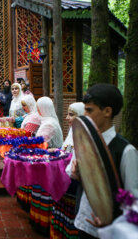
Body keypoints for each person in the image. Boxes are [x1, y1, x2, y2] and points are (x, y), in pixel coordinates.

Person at [66, 83, 138, 239]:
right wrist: (75, 173)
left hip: (111, 231)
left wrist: (113, 221)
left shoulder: (126, 151)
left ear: (107, 111)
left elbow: (134, 201)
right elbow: (70, 171)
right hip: (83, 220)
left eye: (89, 110)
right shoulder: (84, 140)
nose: (84, 114)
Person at [50, 102, 84, 239]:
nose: (66, 118)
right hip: (64, 179)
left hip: (73, 181)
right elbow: (67, 150)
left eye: (71, 115)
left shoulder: (83, 136)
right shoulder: (72, 131)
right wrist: (58, 151)